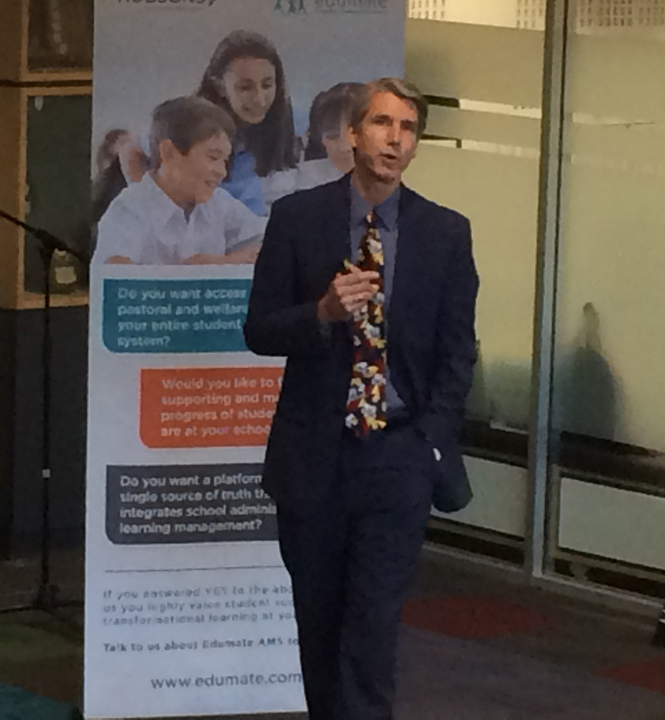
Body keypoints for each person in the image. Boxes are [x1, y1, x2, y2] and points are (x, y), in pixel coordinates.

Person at [244, 77, 479, 720]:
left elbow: (459, 351)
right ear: (352, 134)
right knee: (319, 630)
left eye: (408, 129)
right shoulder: (299, 218)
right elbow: (259, 329)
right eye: (381, 124)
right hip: (314, 456)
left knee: (372, 634)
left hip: (398, 455)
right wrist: (321, 312)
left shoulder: (445, 233)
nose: (394, 140)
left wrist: (429, 438)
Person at [93, 97, 266, 266]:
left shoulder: (219, 204)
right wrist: (194, 272)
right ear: (169, 153)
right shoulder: (130, 210)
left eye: (225, 161)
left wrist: (223, 262)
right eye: (213, 157)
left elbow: (271, 239)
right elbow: (115, 275)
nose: (222, 172)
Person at [197, 30, 299, 215]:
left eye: (267, 85)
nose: (260, 99)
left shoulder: (286, 121)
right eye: (245, 88)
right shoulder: (193, 131)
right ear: (220, 87)